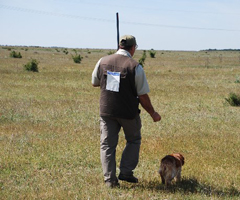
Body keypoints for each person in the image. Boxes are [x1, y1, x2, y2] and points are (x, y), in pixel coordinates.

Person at [92, 35, 161, 188]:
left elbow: (94, 83)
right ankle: (126, 172)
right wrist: (153, 113)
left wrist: (113, 78)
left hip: (107, 111)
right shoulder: (135, 66)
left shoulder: (102, 61)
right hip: (128, 113)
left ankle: (110, 181)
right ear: (133, 48)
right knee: (133, 140)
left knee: (107, 145)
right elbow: (142, 95)